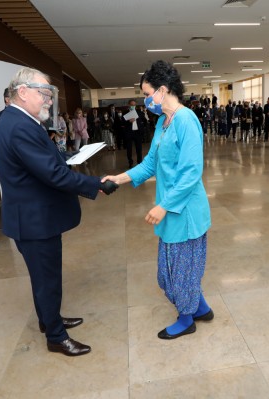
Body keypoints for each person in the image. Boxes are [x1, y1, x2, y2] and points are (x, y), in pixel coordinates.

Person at [0, 67, 118, 357]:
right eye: (44, 94)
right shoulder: (19, 125)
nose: (49, 100)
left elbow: (44, 159)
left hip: (34, 218)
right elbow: (53, 175)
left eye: (50, 95)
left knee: (43, 278)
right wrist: (94, 183)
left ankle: (49, 320)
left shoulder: (19, 121)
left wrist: (68, 156)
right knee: (47, 279)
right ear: (23, 93)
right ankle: (56, 337)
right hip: (35, 221)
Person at [102, 60, 212, 340]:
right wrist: (119, 178)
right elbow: (150, 163)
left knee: (180, 272)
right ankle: (200, 306)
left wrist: (164, 205)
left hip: (184, 210)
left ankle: (187, 318)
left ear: (163, 91)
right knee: (170, 272)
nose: (146, 100)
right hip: (170, 207)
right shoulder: (164, 122)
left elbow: (191, 173)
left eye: (148, 93)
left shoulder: (186, 120)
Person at [124, 99, 146, 167]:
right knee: (129, 149)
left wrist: (141, 126)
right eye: (131, 105)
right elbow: (122, 123)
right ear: (129, 105)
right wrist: (128, 121)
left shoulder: (139, 112)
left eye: (134, 105)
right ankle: (130, 162)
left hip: (138, 133)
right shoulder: (125, 113)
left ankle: (139, 163)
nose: (133, 106)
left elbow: (144, 120)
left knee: (139, 149)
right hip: (129, 133)